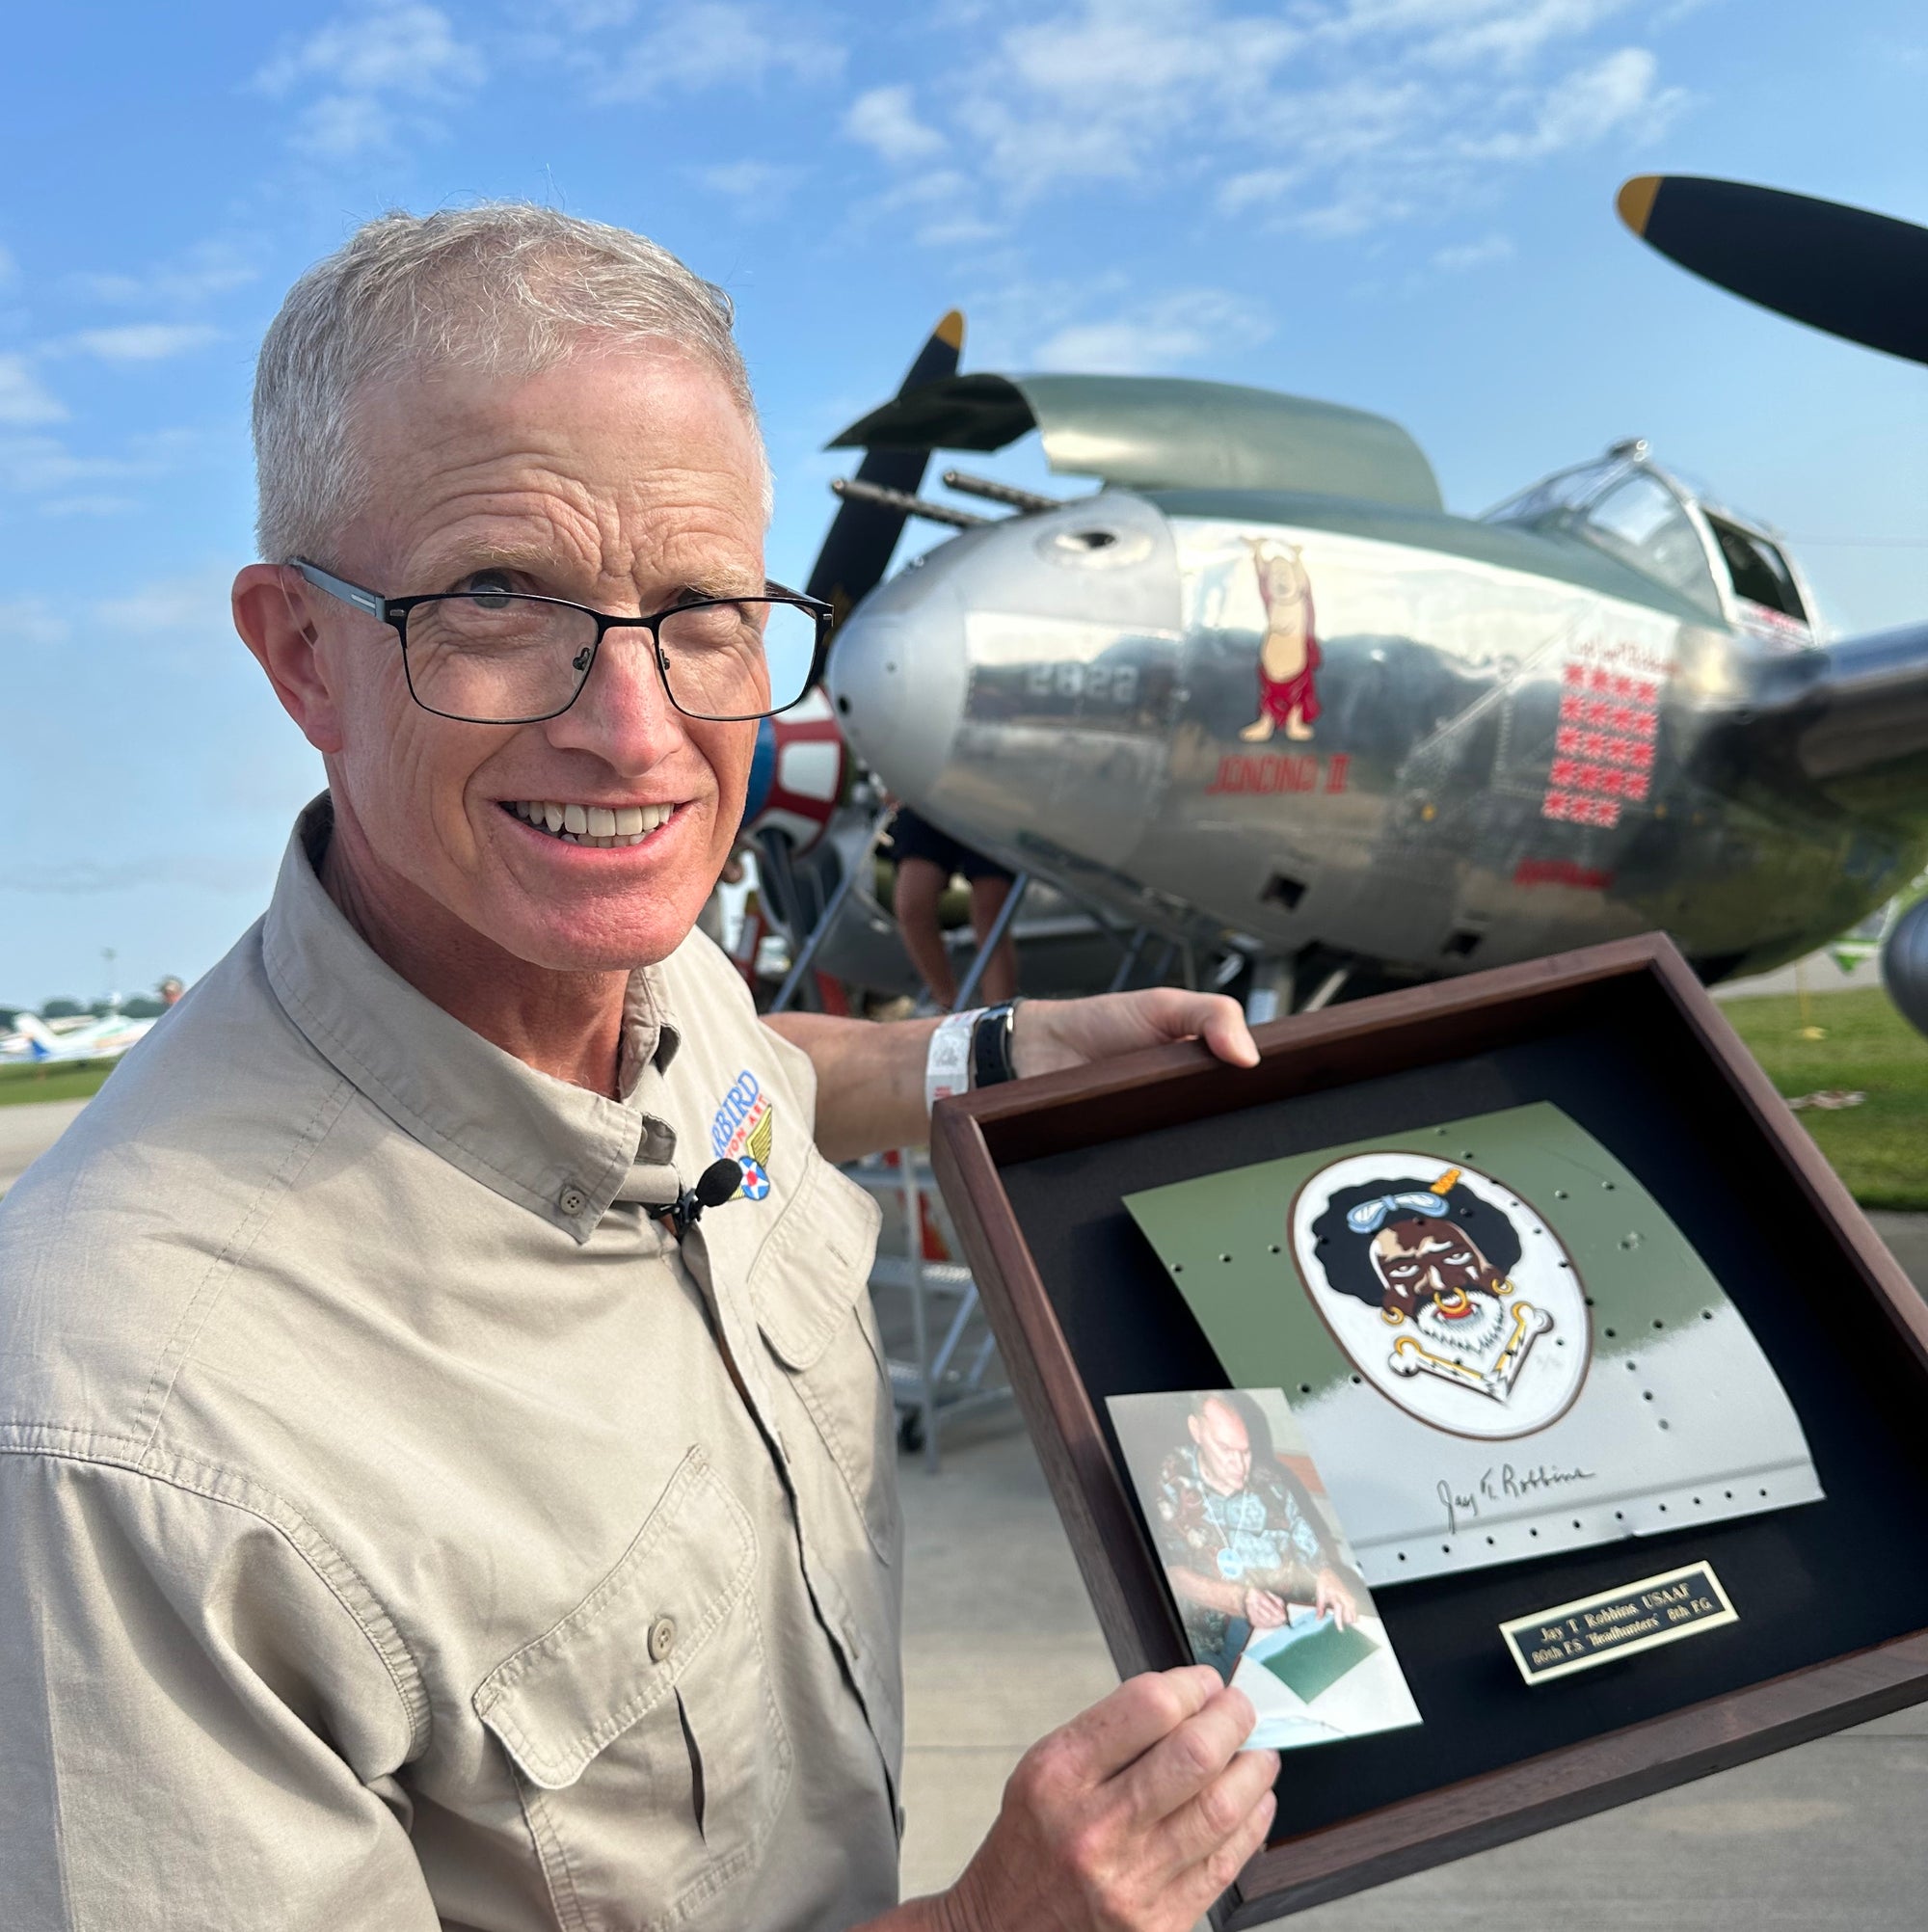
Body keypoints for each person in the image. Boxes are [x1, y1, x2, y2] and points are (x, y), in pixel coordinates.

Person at [0, 207, 1276, 1932]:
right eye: (498, 597)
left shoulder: (632, 960)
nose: (636, 727)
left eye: (705, 608)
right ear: (302, 653)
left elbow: (754, 1075)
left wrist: (997, 1046)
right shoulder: (125, 1435)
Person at [1155, 1395, 1357, 1683]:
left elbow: (1311, 1552)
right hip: (1215, 1636)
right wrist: (1240, 1600)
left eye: (1245, 1452)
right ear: (1196, 1431)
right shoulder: (1173, 1477)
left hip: (1287, 1618)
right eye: (1225, 1449)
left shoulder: (1270, 1481)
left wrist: (1328, 1576)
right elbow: (1169, 1574)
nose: (1240, 1466)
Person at [888, 806, 1018, 1007]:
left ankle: (997, 1018)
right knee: (912, 905)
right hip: (933, 792)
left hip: (995, 801)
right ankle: (948, 1006)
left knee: (990, 913)